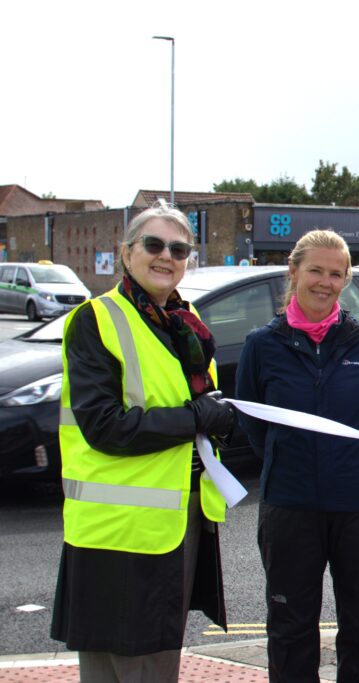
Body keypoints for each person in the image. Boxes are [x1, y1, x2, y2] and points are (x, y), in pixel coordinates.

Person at [51, 200, 235, 682]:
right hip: (117, 530)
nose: (166, 256)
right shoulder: (96, 319)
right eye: (153, 244)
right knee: (124, 668)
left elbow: (183, 405)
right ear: (127, 253)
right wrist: (198, 415)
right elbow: (105, 426)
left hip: (176, 520)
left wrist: (217, 419)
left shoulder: (184, 321)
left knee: (154, 663)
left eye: (179, 249)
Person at [236, 229, 359, 682]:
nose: (325, 282)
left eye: (336, 274)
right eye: (316, 271)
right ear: (294, 271)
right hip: (290, 503)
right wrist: (292, 460)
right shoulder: (261, 346)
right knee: (290, 627)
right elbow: (254, 426)